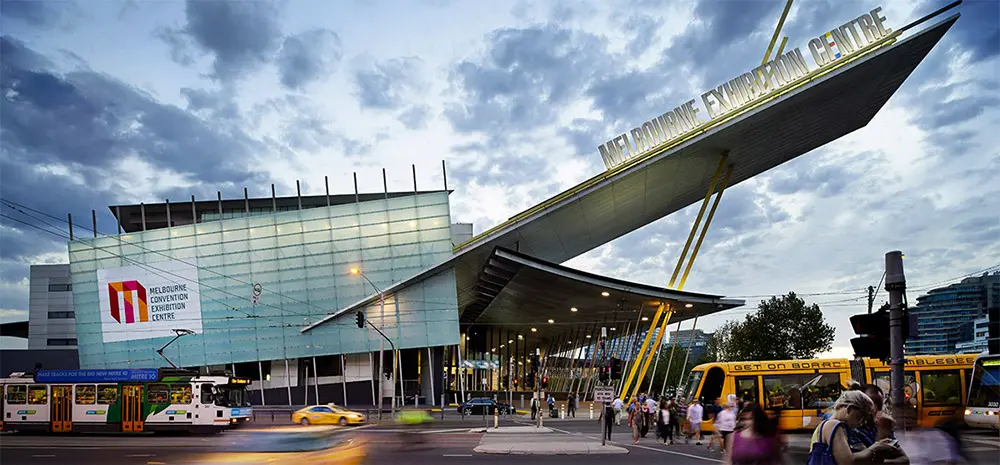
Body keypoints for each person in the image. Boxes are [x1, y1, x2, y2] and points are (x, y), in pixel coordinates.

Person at [806, 390, 902, 465]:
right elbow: (848, 461)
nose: (863, 421)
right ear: (850, 409)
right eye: (862, 416)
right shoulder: (833, 425)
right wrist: (874, 447)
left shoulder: (828, 425)